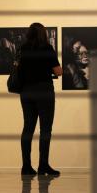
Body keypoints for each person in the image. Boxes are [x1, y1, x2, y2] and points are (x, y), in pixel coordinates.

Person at [18, 22, 63, 176]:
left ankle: (26, 167)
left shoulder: (23, 49)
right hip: (44, 91)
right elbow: (58, 72)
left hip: (26, 92)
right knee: (45, 129)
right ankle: (43, 165)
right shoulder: (47, 48)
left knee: (28, 128)